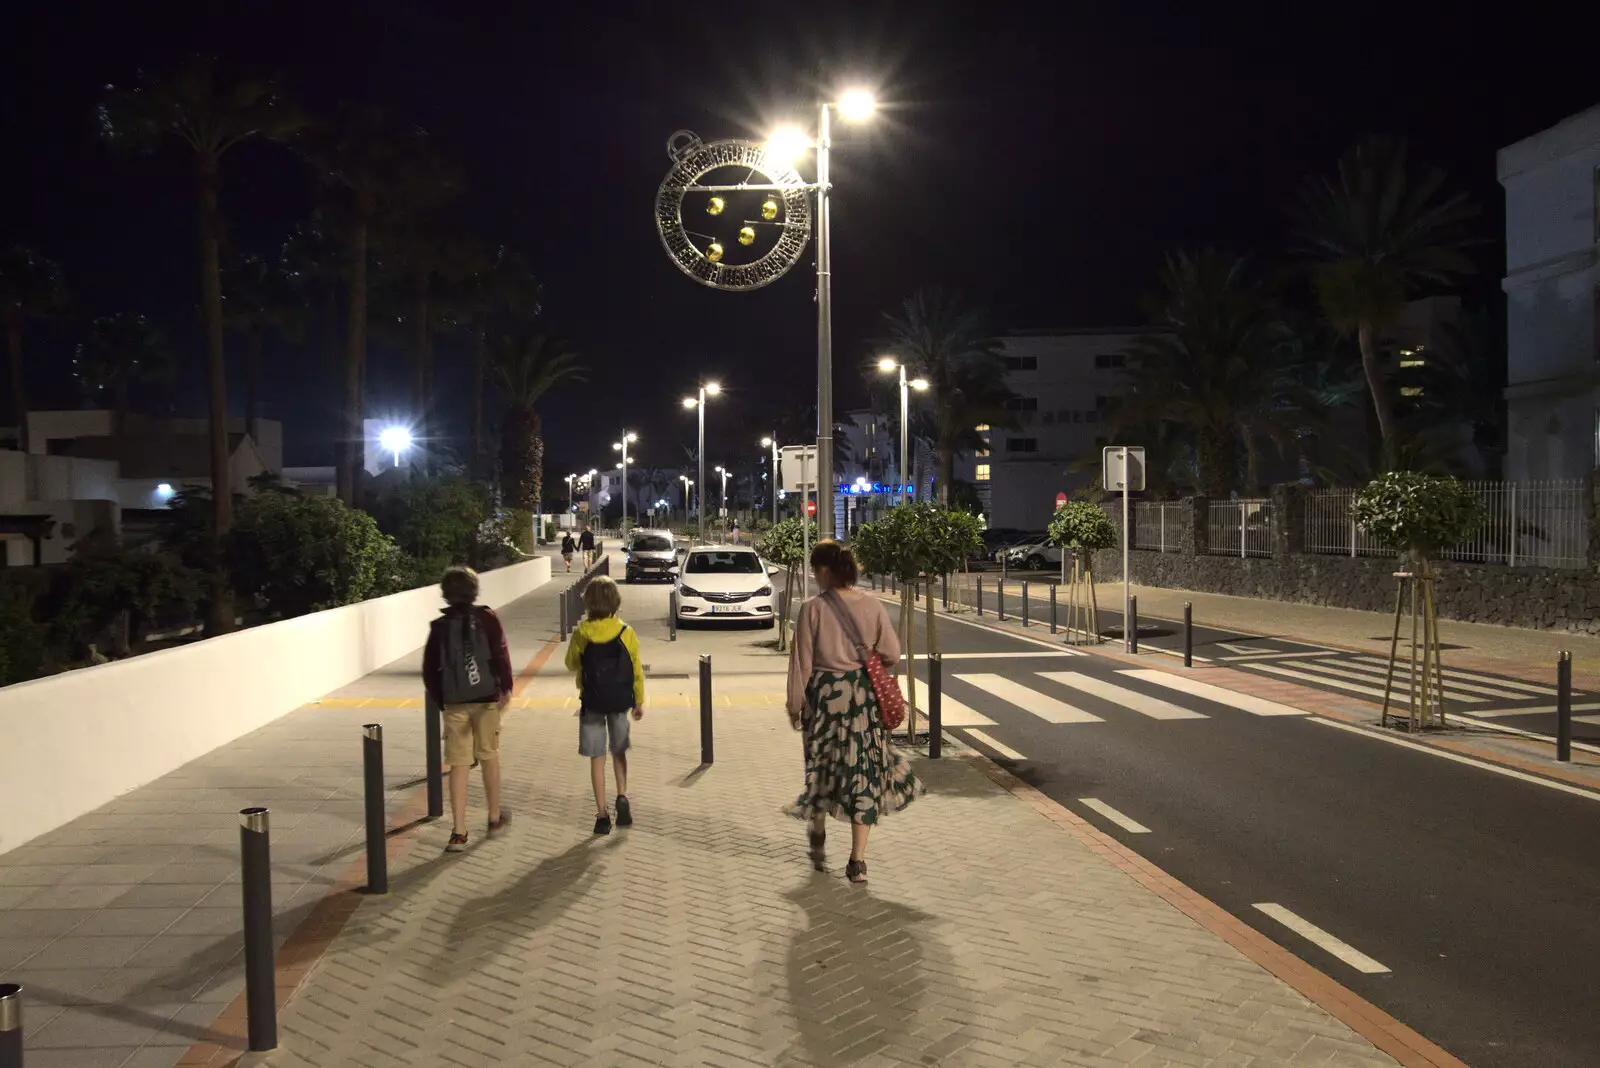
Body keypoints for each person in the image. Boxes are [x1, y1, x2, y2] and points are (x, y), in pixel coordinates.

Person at [785, 540, 919, 884]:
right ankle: (857, 861)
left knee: (822, 767)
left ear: (825, 571)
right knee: (863, 772)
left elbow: (801, 662)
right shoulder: (871, 604)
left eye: (815, 571)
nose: (814, 577)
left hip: (825, 701)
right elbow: (891, 653)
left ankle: (817, 828)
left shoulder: (812, 609)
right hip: (863, 701)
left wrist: (795, 705)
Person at [423, 567, 514, 853]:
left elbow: (429, 671)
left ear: (446, 593)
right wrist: (506, 690)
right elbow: (500, 653)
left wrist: (442, 700)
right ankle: (494, 816)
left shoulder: (439, 627)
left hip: (454, 703)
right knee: (489, 757)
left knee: (458, 765)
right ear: (474, 590)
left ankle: (459, 832)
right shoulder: (487, 618)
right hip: (485, 699)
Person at [563, 576, 645, 835]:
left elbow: (571, 664)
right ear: (615, 602)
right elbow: (636, 670)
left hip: (592, 702)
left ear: (589, 603)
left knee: (597, 757)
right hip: (620, 701)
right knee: (618, 751)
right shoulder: (626, 632)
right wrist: (639, 701)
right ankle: (622, 795)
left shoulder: (582, 634)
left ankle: (601, 815)